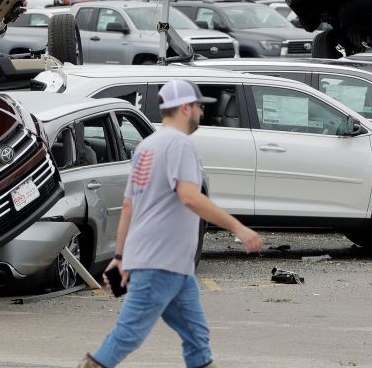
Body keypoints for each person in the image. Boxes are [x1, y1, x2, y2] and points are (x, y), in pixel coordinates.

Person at [78, 79, 263, 368]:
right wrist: (237, 227)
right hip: (160, 262)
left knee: (196, 336)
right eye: (200, 107)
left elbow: (130, 205)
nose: (202, 113)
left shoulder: (146, 146)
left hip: (173, 266)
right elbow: (189, 196)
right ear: (185, 108)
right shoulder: (180, 145)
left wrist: (120, 256)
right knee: (129, 333)